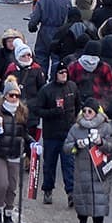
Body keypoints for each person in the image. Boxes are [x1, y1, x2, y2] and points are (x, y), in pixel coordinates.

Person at [32, 61, 82, 206]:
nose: (64, 75)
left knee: (69, 164)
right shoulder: (46, 90)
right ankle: (47, 190)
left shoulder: (72, 87)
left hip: (68, 135)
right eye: (61, 73)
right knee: (49, 165)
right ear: (55, 74)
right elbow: (37, 110)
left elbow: (78, 105)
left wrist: (75, 121)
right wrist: (53, 112)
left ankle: (71, 193)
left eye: (65, 72)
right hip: (51, 135)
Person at [0, 78, 32, 223]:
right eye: (11, 95)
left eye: (16, 95)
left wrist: (32, 144)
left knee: (12, 185)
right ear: (5, 95)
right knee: (2, 183)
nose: (14, 98)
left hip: (15, 152)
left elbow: (25, 133)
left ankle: (8, 212)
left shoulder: (22, 112)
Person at [67, 103, 112, 223]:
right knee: (82, 202)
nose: (87, 113)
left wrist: (101, 142)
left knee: (99, 205)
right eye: (85, 111)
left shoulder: (105, 128)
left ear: (96, 112)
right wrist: (76, 146)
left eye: (90, 111)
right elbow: (66, 147)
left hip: (100, 173)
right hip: (82, 173)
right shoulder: (76, 129)